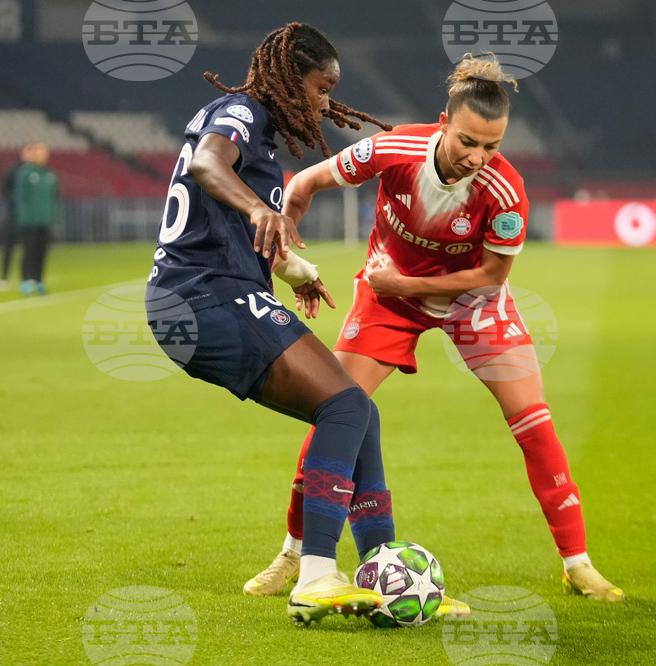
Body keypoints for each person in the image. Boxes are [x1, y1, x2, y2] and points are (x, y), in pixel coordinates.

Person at [245, 54, 625, 602]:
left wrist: (407, 286)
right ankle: (292, 554)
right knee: (335, 414)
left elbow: (492, 276)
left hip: (471, 302)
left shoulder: (505, 192)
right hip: (387, 298)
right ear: (443, 123)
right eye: (468, 141)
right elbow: (303, 181)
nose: (478, 157)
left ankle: (578, 563)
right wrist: (289, 240)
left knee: (534, 423)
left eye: (492, 146)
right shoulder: (394, 149)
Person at [145, 23, 464, 626]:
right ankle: (317, 573)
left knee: (357, 410)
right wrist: (261, 208)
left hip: (206, 296)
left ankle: (381, 573)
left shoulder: (253, 130)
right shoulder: (238, 112)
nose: (325, 102)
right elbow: (209, 168)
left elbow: (230, 218)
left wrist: (292, 269)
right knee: (344, 407)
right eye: (322, 87)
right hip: (203, 297)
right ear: (291, 76)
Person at [12, 143, 59, 296]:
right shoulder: (25, 173)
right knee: (29, 252)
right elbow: (20, 197)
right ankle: (26, 281)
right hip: (29, 221)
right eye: (39, 152)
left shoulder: (50, 174)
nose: (42, 155)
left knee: (42, 253)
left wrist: (54, 218)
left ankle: (39, 281)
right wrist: (23, 217)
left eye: (44, 152)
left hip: (45, 221)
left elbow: (55, 198)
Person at [0, 149, 24, 291]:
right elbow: (4, 188)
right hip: (12, 214)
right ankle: (4, 276)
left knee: (29, 248)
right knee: (9, 246)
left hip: (28, 217)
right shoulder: (12, 170)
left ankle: (27, 278)